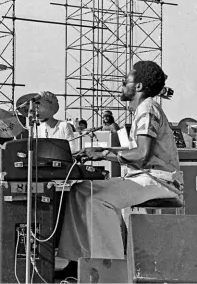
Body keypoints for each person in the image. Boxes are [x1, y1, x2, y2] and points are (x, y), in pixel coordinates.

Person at [56, 61, 181, 278]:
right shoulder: (143, 109)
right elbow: (137, 151)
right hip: (146, 176)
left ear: (139, 86)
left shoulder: (147, 109)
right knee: (81, 190)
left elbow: (142, 155)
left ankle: (112, 270)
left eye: (126, 81)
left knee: (99, 200)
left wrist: (104, 154)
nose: (122, 84)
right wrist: (101, 149)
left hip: (160, 180)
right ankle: (74, 260)